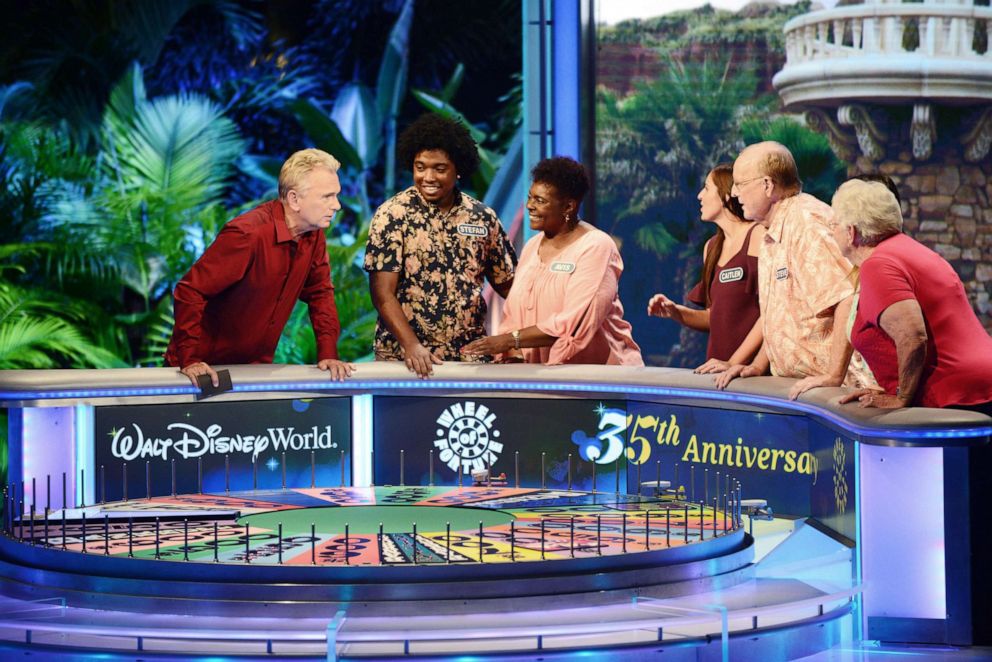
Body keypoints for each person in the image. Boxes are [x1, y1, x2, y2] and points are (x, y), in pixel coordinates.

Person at [166, 149, 355, 387]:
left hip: (254, 371)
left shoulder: (313, 235)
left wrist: (328, 353)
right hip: (202, 371)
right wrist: (190, 359)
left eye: (336, 195)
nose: (337, 205)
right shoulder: (247, 234)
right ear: (295, 199)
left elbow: (320, 293)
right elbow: (190, 290)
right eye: (327, 197)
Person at [364, 113, 516, 378]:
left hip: (469, 360)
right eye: (420, 167)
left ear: (458, 169)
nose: (428, 177)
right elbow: (382, 293)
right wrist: (412, 346)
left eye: (439, 168)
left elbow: (510, 287)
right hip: (403, 361)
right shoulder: (392, 214)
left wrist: (521, 339)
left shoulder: (482, 217)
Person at [714, 141, 871, 390]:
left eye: (740, 184)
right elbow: (780, 315)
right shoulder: (770, 230)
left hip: (838, 398)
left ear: (767, 185)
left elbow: (848, 300)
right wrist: (757, 365)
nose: (733, 193)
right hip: (802, 391)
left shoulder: (806, 223)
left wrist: (833, 376)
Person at [828, 178, 992, 412]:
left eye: (834, 224)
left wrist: (901, 397)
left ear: (850, 232)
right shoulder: (910, 250)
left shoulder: (878, 265)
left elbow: (913, 337)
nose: (831, 231)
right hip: (977, 386)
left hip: (958, 396)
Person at [461, 156, 643, 366]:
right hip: (542, 375)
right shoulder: (532, 246)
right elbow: (514, 313)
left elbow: (574, 323)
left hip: (600, 378)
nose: (530, 206)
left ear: (568, 207)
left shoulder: (596, 247)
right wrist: (513, 352)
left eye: (540, 201)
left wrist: (510, 340)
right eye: (530, 198)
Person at [647, 164, 763, 370]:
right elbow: (714, 317)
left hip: (751, 375)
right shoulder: (711, 247)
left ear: (728, 194)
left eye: (707, 188)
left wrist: (734, 362)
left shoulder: (757, 235)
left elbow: (771, 313)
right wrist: (676, 311)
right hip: (717, 373)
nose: (700, 196)